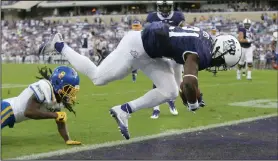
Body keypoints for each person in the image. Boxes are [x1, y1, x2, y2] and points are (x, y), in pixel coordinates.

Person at [40, 21, 242, 140]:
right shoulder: (203, 52)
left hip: (153, 53)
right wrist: (193, 101)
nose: (220, 65)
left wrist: (187, 92)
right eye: (223, 61)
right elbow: (189, 83)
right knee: (98, 77)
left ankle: (123, 110)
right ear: (221, 50)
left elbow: (180, 66)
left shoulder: (204, 42)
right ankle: (58, 44)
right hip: (137, 46)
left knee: (170, 90)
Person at [1, 66, 82, 145]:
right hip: (6, 109)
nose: (70, 93)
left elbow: (60, 121)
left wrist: (67, 139)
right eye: (68, 89)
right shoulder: (44, 87)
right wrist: (55, 115)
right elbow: (29, 112)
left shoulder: (58, 99)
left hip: (12, 115)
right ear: (58, 83)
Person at [134, 0, 186, 119]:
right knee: (157, 81)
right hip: (158, 52)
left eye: (167, 6)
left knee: (176, 83)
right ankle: (156, 108)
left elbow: (183, 33)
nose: (165, 9)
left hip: (173, 52)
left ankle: (171, 102)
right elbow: (146, 34)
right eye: (162, 6)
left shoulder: (178, 17)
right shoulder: (152, 17)